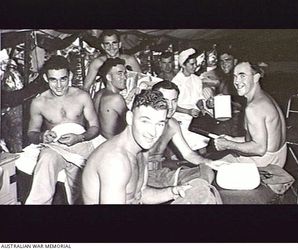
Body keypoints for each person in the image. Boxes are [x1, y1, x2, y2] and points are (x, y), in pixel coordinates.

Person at [82, 90, 191, 204]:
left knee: (199, 188)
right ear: (130, 118)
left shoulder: (142, 148)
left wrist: (172, 192)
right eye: (145, 121)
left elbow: (139, 194)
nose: (152, 133)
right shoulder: (115, 161)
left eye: (160, 124)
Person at [26, 55, 99, 204]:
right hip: (55, 146)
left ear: (70, 76)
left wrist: (80, 137)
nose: (59, 85)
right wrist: (42, 137)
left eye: (63, 79)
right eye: (53, 79)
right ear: (46, 78)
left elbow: (95, 127)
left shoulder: (82, 96)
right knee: (46, 160)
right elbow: (31, 133)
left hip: (81, 143)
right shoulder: (39, 102)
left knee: (85, 191)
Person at [147, 80, 222, 188]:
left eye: (174, 101)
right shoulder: (143, 121)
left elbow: (188, 154)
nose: (170, 106)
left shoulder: (173, 124)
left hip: (159, 173)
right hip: (139, 174)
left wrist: (210, 162)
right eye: (165, 100)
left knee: (206, 171)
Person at [214, 61, 287, 168]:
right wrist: (232, 140)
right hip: (277, 160)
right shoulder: (266, 98)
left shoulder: (253, 108)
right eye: (235, 76)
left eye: (242, 76)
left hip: (263, 165)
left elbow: (259, 149)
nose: (237, 81)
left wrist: (227, 145)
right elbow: (260, 139)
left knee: (208, 167)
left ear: (256, 77)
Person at [171, 48, 210, 151]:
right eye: (192, 64)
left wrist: (201, 108)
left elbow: (198, 99)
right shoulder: (176, 82)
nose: (195, 67)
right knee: (188, 148)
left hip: (195, 117)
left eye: (195, 64)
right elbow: (172, 105)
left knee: (204, 144)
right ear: (183, 65)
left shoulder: (197, 80)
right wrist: (188, 111)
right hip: (180, 119)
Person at [93, 57, 128, 140]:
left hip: (100, 141)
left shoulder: (99, 93)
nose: (125, 77)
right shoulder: (116, 99)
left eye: (125, 73)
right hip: (114, 144)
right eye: (119, 73)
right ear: (109, 77)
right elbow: (131, 122)